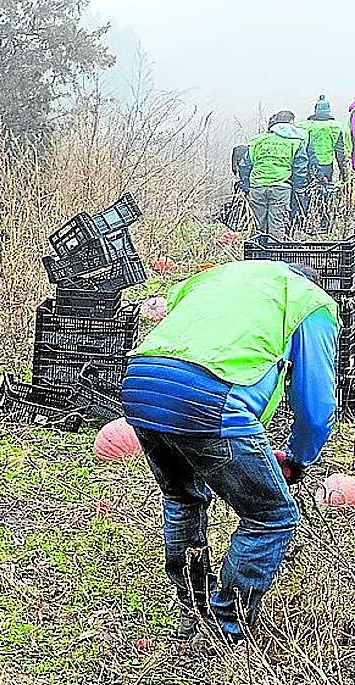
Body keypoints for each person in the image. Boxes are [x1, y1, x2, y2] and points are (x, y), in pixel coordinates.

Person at [122, 261, 338, 643]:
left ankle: (194, 607)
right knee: (271, 516)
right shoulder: (309, 303)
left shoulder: (221, 279)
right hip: (207, 395)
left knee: (182, 497)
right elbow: (316, 407)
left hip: (141, 381)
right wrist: (298, 458)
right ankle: (225, 628)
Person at [237, 111, 311, 239]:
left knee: (257, 225)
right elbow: (300, 168)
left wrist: (246, 186)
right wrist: (298, 189)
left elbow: (245, 165)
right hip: (281, 187)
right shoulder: (295, 142)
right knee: (277, 224)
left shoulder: (257, 140)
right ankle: (273, 254)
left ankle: (257, 254)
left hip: (257, 187)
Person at [299, 96, 348, 232]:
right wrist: (344, 174)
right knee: (325, 195)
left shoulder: (305, 126)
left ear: (315, 110)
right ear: (328, 110)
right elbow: (340, 152)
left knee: (306, 193)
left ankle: (304, 224)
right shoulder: (335, 127)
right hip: (326, 166)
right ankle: (324, 225)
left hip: (306, 166)